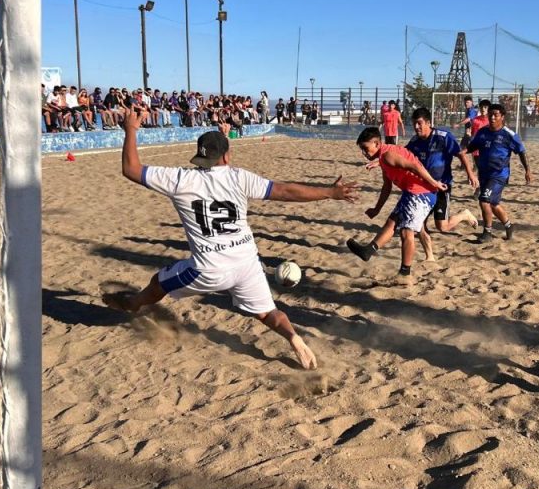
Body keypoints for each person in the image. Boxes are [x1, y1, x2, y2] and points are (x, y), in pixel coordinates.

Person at [103, 112, 359, 370]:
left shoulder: (180, 179)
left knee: (159, 282)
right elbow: (285, 191)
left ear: (200, 157)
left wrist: (131, 129)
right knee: (267, 313)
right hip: (247, 264)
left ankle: (133, 304)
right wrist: (329, 192)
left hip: (208, 270)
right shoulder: (240, 177)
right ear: (226, 157)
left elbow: (131, 169)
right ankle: (294, 338)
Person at [347, 127, 447, 278]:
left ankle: (404, 274)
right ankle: (368, 251)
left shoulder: (387, 155)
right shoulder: (383, 158)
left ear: (377, 144)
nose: (364, 153)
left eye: (365, 148)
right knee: (392, 222)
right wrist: (377, 209)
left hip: (421, 193)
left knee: (406, 232)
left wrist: (435, 183)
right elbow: (387, 187)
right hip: (411, 192)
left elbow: (415, 166)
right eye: (362, 149)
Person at [404, 107, 479, 237]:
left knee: (442, 227)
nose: (416, 127)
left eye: (419, 123)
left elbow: (460, 154)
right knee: (418, 223)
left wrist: (470, 173)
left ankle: (464, 215)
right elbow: (402, 155)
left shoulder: (443, 137)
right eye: (414, 123)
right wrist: (381, 160)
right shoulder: (415, 141)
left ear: (428, 123)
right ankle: (424, 237)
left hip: (442, 185)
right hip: (423, 186)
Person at [466, 103, 532, 242]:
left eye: (495, 115)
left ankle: (487, 233)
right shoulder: (483, 132)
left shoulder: (509, 135)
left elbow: (521, 152)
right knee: (493, 204)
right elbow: (472, 147)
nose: (492, 117)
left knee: (484, 200)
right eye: (490, 114)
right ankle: (508, 226)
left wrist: (527, 170)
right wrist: (463, 149)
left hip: (499, 175)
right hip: (484, 173)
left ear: (502, 117)